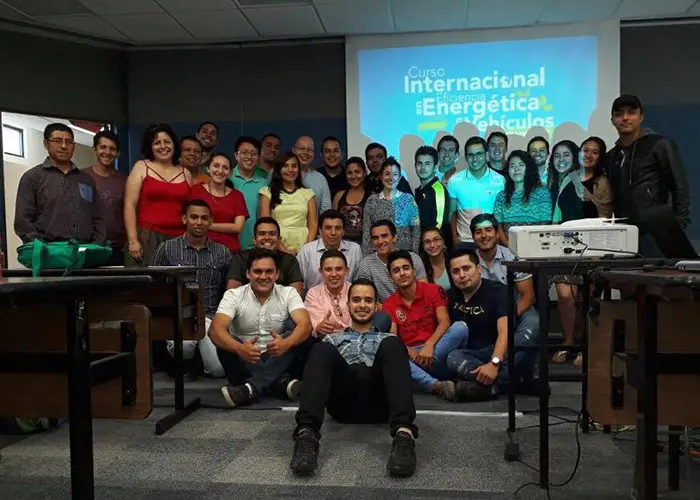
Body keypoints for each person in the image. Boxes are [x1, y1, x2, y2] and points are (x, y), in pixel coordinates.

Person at [290, 278, 418, 478]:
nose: (362, 305)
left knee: (394, 344)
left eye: (368, 300)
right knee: (321, 347)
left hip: (380, 406)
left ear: (377, 306)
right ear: (348, 304)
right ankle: (306, 434)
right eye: (356, 300)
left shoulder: (387, 341)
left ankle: (404, 435)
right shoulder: (333, 340)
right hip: (343, 405)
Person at [210, 248, 312, 407]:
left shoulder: (288, 293)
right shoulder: (233, 295)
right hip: (244, 358)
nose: (263, 276)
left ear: (277, 274)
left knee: (299, 334)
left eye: (269, 271)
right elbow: (215, 330)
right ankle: (281, 382)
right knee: (224, 340)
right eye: (257, 271)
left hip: (279, 355)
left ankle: (250, 388)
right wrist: (239, 348)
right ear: (248, 274)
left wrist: (287, 343)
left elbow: (305, 325)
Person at [151, 199, 231, 377]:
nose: (199, 222)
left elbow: (229, 290)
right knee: (183, 349)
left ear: (210, 221)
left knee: (218, 370)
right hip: (179, 314)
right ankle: (189, 361)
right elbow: (154, 284)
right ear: (184, 219)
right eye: (194, 217)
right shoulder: (167, 248)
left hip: (210, 315)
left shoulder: (223, 252)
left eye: (204, 218)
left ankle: (201, 360)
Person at [607, 95, 690, 251]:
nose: (625, 118)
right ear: (612, 120)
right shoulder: (612, 156)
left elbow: (680, 187)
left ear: (641, 116)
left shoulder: (659, 145)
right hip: (624, 232)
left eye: (631, 112)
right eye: (619, 114)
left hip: (656, 232)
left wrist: (677, 225)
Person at [384, 251, 468, 400]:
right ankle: (436, 385)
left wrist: (429, 345)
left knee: (460, 327)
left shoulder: (433, 290)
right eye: (396, 271)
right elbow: (393, 337)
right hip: (412, 355)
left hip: (438, 349)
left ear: (413, 271)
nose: (402, 273)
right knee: (393, 354)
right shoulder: (389, 304)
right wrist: (411, 353)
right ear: (391, 277)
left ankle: (421, 375)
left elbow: (444, 321)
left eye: (406, 268)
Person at [470, 214, 540, 389]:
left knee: (533, 321)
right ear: (473, 237)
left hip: (513, 308)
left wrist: (509, 318)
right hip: (482, 314)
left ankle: (497, 373)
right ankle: (511, 379)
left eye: (488, 230)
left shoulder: (513, 257)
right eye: (478, 232)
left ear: (497, 233)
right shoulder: (468, 261)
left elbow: (528, 297)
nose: (484, 235)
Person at [15, 123, 105, 245]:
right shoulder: (32, 178)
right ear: (46, 144)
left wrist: (95, 245)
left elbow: (98, 217)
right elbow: (23, 221)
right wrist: (42, 248)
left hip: (85, 253)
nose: (64, 146)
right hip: (47, 254)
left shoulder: (86, 180)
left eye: (68, 142)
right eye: (58, 141)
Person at [444, 248, 508, 401]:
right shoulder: (450, 295)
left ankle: (492, 384)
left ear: (478, 269)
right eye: (456, 271)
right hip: (467, 354)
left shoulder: (498, 291)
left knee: (453, 358)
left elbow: (505, 332)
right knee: (451, 357)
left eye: (466, 268)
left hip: (495, 351)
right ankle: (495, 386)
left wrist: (494, 363)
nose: (462, 275)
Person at [123, 124, 191, 266]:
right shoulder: (141, 167)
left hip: (179, 238)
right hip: (147, 237)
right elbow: (129, 205)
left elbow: (190, 209)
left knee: (176, 286)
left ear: (174, 144)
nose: (163, 146)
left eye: (167, 141)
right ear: (150, 147)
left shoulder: (186, 172)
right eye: (157, 142)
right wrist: (133, 240)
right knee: (146, 285)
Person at [304, 249, 392, 336]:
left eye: (338, 269)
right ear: (321, 272)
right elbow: (318, 327)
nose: (334, 274)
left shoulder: (356, 290)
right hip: (327, 341)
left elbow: (372, 310)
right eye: (328, 269)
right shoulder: (313, 293)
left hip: (358, 338)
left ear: (346, 271)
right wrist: (320, 327)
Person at [226, 217, 304, 297]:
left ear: (279, 239)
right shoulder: (241, 258)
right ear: (254, 240)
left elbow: (296, 293)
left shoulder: (289, 260)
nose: (267, 237)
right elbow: (232, 291)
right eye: (262, 234)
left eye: (272, 234)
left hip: (282, 307)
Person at [447, 136, 504, 244]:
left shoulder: (500, 181)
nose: (475, 159)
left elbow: (501, 217)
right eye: (471, 155)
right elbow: (452, 213)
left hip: (491, 241)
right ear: (466, 157)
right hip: (465, 241)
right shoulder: (455, 180)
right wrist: (455, 238)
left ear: (486, 155)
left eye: (479, 154)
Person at [259, 152, 318, 254]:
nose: (290, 170)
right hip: (275, 245)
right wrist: (282, 248)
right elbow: (265, 225)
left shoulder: (308, 193)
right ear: (278, 169)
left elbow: (313, 224)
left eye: (294, 166)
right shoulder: (267, 192)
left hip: (304, 246)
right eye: (285, 166)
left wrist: (306, 249)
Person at [355, 220, 427, 302]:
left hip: (416, 307)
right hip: (386, 311)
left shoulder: (413, 258)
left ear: (394, 237)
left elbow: (424, 291)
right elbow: (368, 300)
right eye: (375, 238)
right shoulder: (366, 265)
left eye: (384, 236)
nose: (380, 241)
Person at [84, 130, 126, 265]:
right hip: (87, 246)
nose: (107, 152)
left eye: (112, 149)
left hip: (117, 248)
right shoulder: (79, 176)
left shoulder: (125, 180)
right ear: (94, 149)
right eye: (103, 147)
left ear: (118, 153)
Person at [189, 153, 248, 252]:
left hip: (230, 250)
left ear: (230, 173)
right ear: (208, 168)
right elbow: (189, 220)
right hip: (200, 248)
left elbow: (238, 227)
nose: (220, 171)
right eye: (216, 166)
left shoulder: (237, 196)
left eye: (225, 168)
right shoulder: (195, 191)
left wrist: (207, 225)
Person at [362, 158, 420, 255]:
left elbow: (416, 230)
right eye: (387, 174)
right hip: (379, 255)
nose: (391, 178)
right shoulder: (372, 201)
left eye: (395, 174)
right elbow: (367, 232)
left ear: (400, 178)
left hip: (405, 255)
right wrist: (367, 256)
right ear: (381, 176)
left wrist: (414, 254)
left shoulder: (408, 199)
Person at [492, 150, 552, 244]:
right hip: (508, 249)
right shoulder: (501, 196)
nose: (516, 169)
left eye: (521, 165)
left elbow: (545, 223)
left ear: (528, 168)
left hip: (535, 247)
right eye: (512, 166)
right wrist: (509, 246)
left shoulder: (542, 193)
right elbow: (498, 226)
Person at [297, 210, 362, 290]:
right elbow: (299, 284)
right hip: (313, 300)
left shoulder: (354, 249)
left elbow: (358, 284)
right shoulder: (307, 251)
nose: (333, 232)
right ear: (320, 231)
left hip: (346, 300)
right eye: (328, 228)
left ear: (343, 231)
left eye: (338, 228)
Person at [230, 136, 268, 250]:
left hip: (254, 246)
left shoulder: (264, 183)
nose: (249, 157)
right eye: (244, 152)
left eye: (254, 153)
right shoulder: (226, 179)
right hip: (228, 243)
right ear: (236, 155)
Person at [414, 146, 451, 248]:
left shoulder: (438, 190)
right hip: (422, 246)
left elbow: (438, 224)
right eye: (419, 163)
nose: (422, 168)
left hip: (434, 247)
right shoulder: (419, 191)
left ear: (435, 167)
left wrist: (428, 243)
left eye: (427, 164)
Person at [333, 156, 371, 245]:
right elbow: (333, 222)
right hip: (341, 246)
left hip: (365, 246)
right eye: (349, 173)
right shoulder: (339, 196)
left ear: (364, 173)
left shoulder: (372, 196)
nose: (353, 176)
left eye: (357, 172)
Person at [293, 136, 332, 214]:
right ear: (293, 150)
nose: (305, 152)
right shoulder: (284, 175)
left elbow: (325, 212)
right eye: (301, 148)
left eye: (309, 150)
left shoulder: (320, 179)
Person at [548, 140, 584, 224]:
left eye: (566, 155)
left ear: (574, 157)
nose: (561, 159)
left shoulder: (577, 181)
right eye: (557, 156)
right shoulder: (554, 183)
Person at [580, 136, 613, 219]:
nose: (588, 155)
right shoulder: (568, 179)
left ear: (600, 157)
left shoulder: (603, 183)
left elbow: (605, 217)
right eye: (585, 151)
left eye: (594, 153)